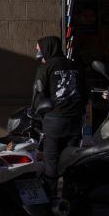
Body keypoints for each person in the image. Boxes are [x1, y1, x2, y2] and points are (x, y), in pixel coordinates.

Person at [33, 36, 86, 196]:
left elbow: (39, 95)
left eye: (38, 49)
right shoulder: (75, 65)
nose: (38, 52)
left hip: (54, 122)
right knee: (71, 161)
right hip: (75, 122)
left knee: (52, 162)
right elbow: (84, 93)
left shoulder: (45, 68)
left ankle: (51, 199)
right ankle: (70, 199)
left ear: (47, 48)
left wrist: (39, 114)